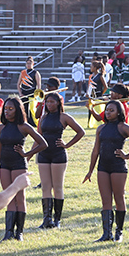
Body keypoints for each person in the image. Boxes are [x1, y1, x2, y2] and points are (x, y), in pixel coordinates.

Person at [0, 97, 47, 241]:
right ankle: (8, 232)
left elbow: (43, 143)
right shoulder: (1, 127)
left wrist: (26, 154)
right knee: (8, 197)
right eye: (5, 108)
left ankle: (20, 233)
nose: (7, 111)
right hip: (5, 165)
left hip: (19, 165)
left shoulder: (23, 126)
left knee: (20, 197)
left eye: (10, 109)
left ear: (18, 110)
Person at [83, 100, 129, 242]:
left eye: (111, 110)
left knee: (119, 198)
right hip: (103, 167)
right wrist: (90, 170)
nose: (108, 112)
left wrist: (127, 156)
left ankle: (119, 231)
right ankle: (106, 233)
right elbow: (95, 151)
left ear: (119, 112)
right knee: (105, 200)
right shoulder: (101, 129)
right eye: (107, 110)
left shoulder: (123, 127)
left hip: (118, 166)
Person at [36, 91, 85, 228]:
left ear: (58, 103)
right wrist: (29, 155)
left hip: (58, 155)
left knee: (57, 187)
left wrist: (67, 145)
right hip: (44, 154)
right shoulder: (43, 117)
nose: (49, 104)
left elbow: (80, 132)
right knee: (46, 187)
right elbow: (38, 137)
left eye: (52, 102)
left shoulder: (64, 117)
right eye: (47, 102)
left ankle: (57, 219)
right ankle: (47, 219)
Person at [16, 56, 42, 125]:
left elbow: (39, 85)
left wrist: (37, 94)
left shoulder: (36, 73)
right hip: (24, 94)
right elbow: (18, 84)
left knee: (33, 109)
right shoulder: (23, 72)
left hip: (32, 94)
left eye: (30, 63)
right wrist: (20, 93)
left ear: (33, 64)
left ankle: (37, 123)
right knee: (24, 109)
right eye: (27, 63)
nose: (28, 65)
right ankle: (24, 122)